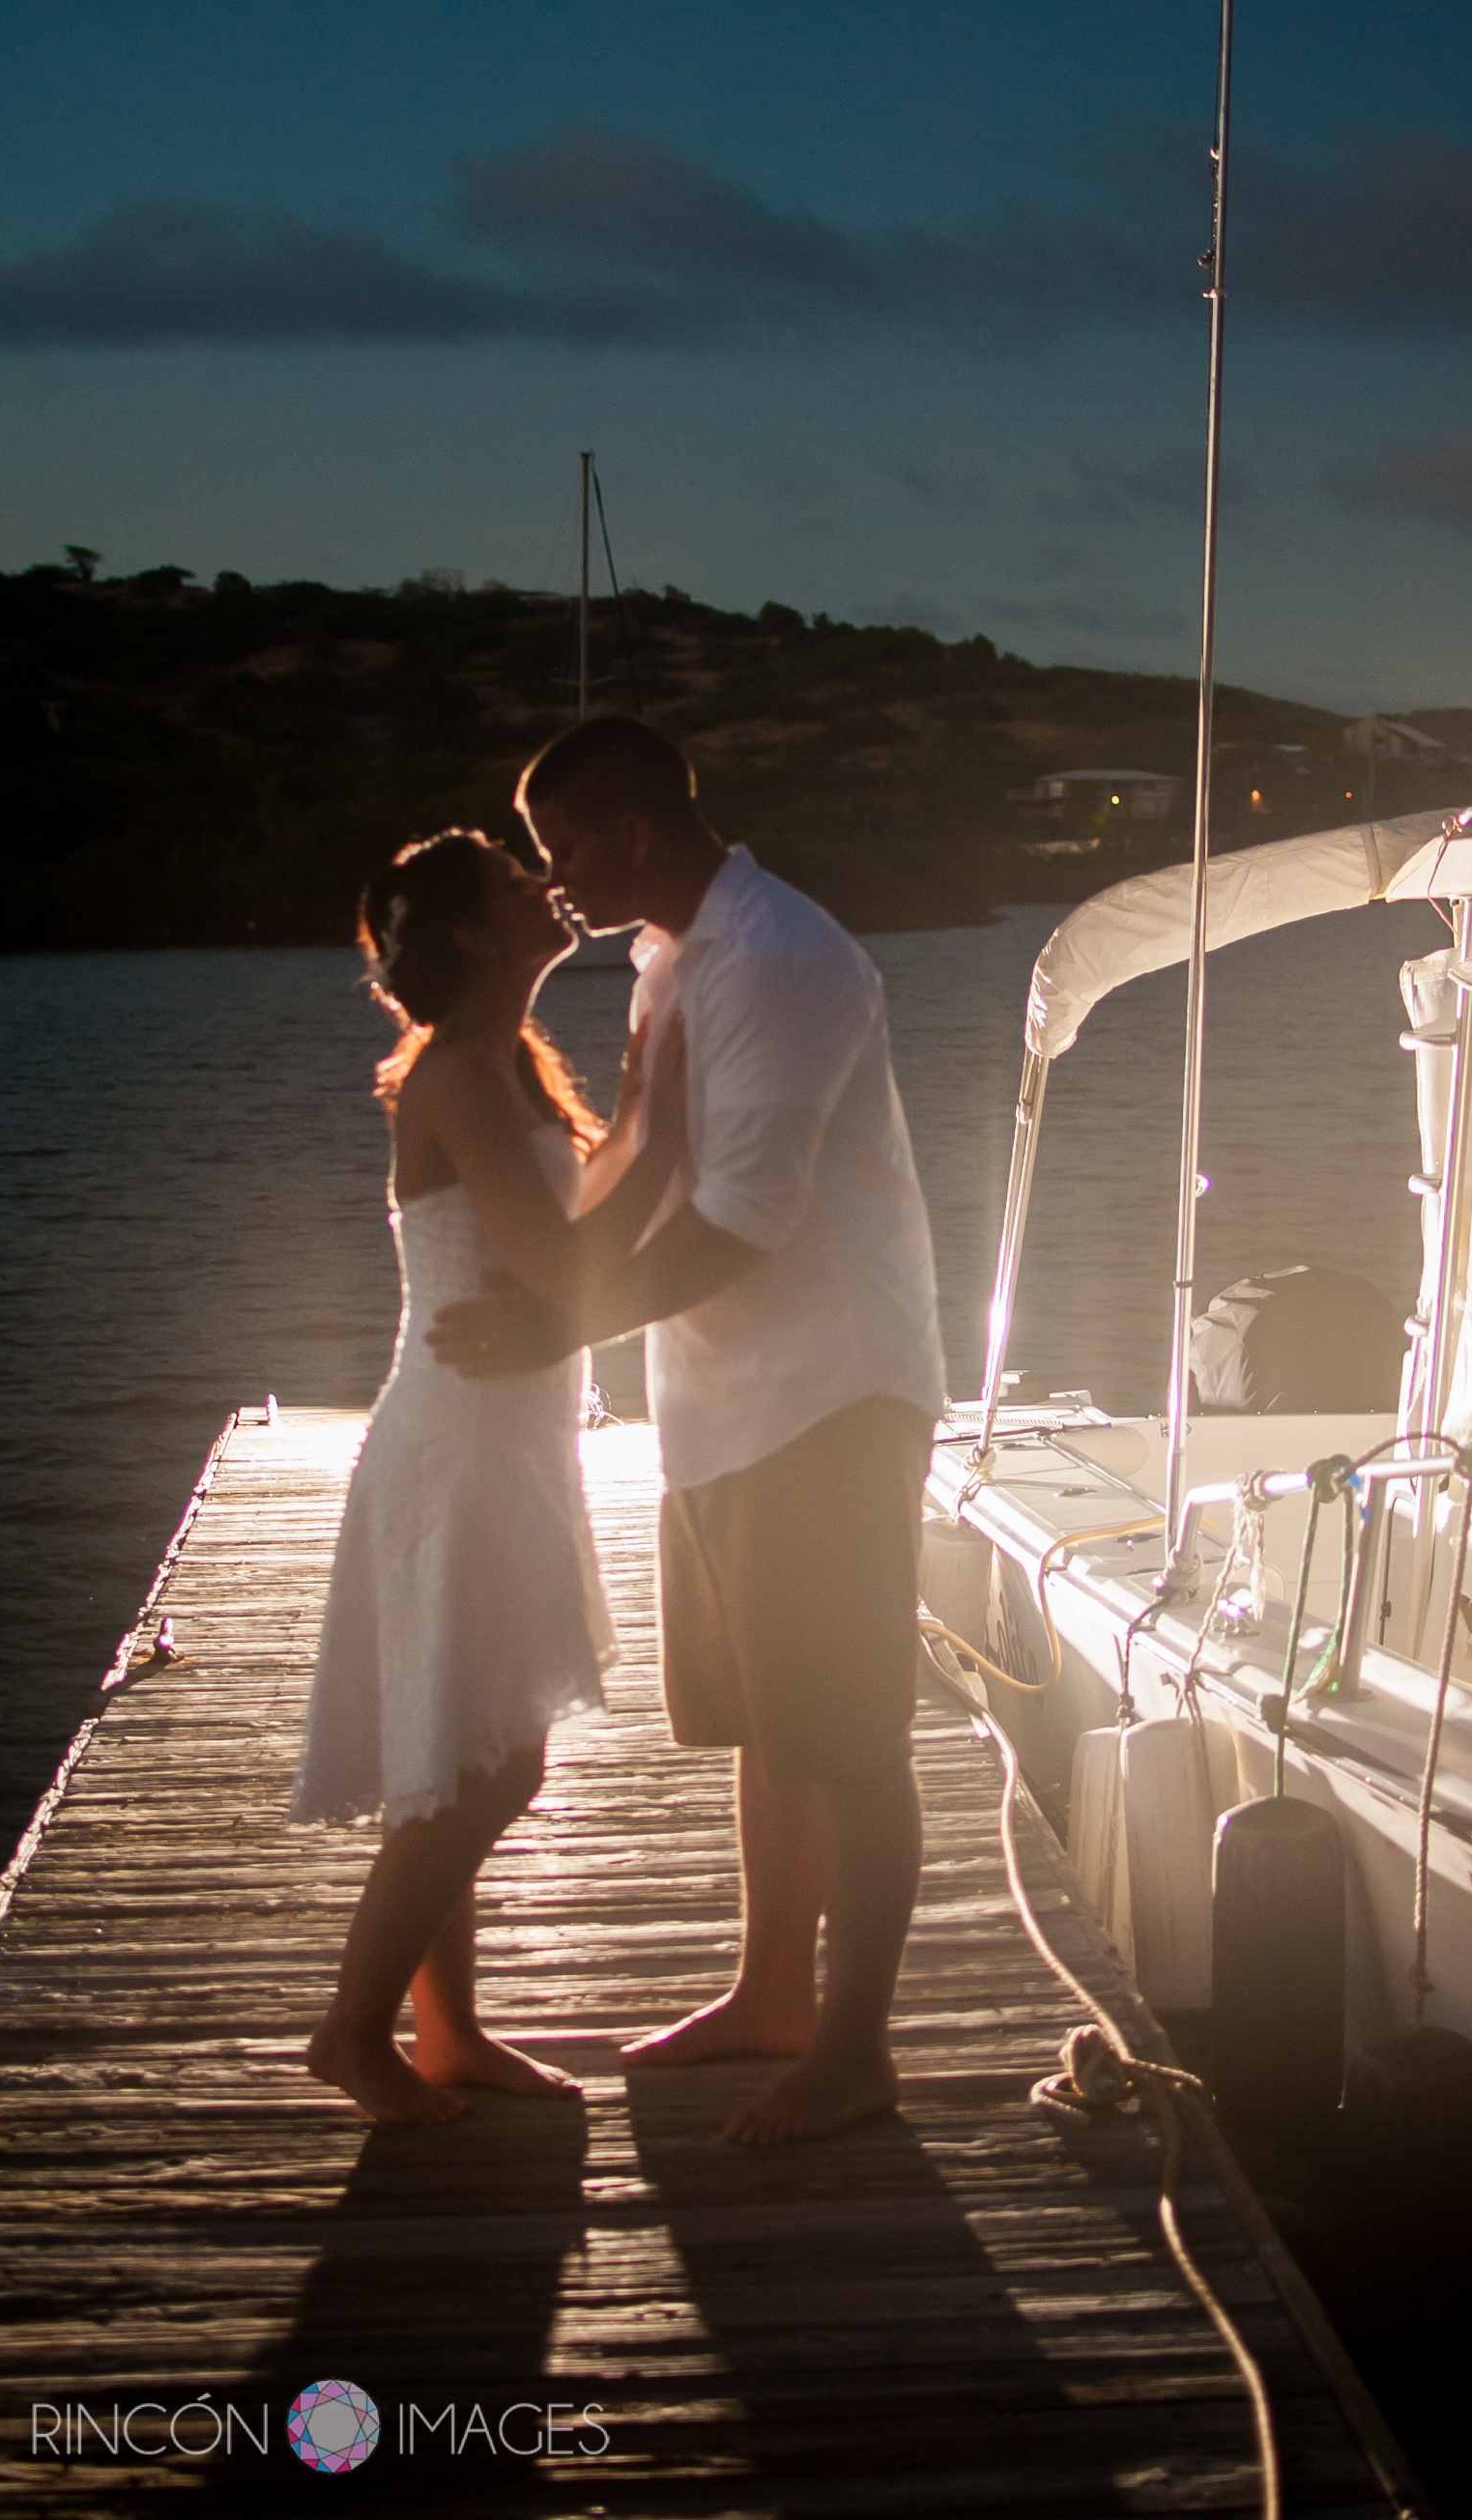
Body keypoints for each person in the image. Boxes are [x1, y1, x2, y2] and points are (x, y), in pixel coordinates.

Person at [429, 718, 945, 2146]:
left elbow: (744, 1218)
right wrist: (537, 1280)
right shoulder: (676, 959)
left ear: (633, 835)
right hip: (723, 1400)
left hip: (826, 1397)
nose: (554, 877)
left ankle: (856, 2052)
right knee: (770, 1724)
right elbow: (653, 1168)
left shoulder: (781, 959)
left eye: (561, 849)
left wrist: (562, 1329)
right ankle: (774, 1994)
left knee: (849, 1734)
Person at [294, 828, 687, 2126]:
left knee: (459, 1749)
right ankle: (351, 2034)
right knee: (490, 1770)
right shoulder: (459, 1076)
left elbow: (574, 1215)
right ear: (472, 932)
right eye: (518, 882)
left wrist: (638, 1105)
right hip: (459, 1446)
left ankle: (448, 2035)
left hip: (508, 1437)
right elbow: (555, 1267)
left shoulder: (506, 1063)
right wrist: (671, 1131)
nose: (545, 886)